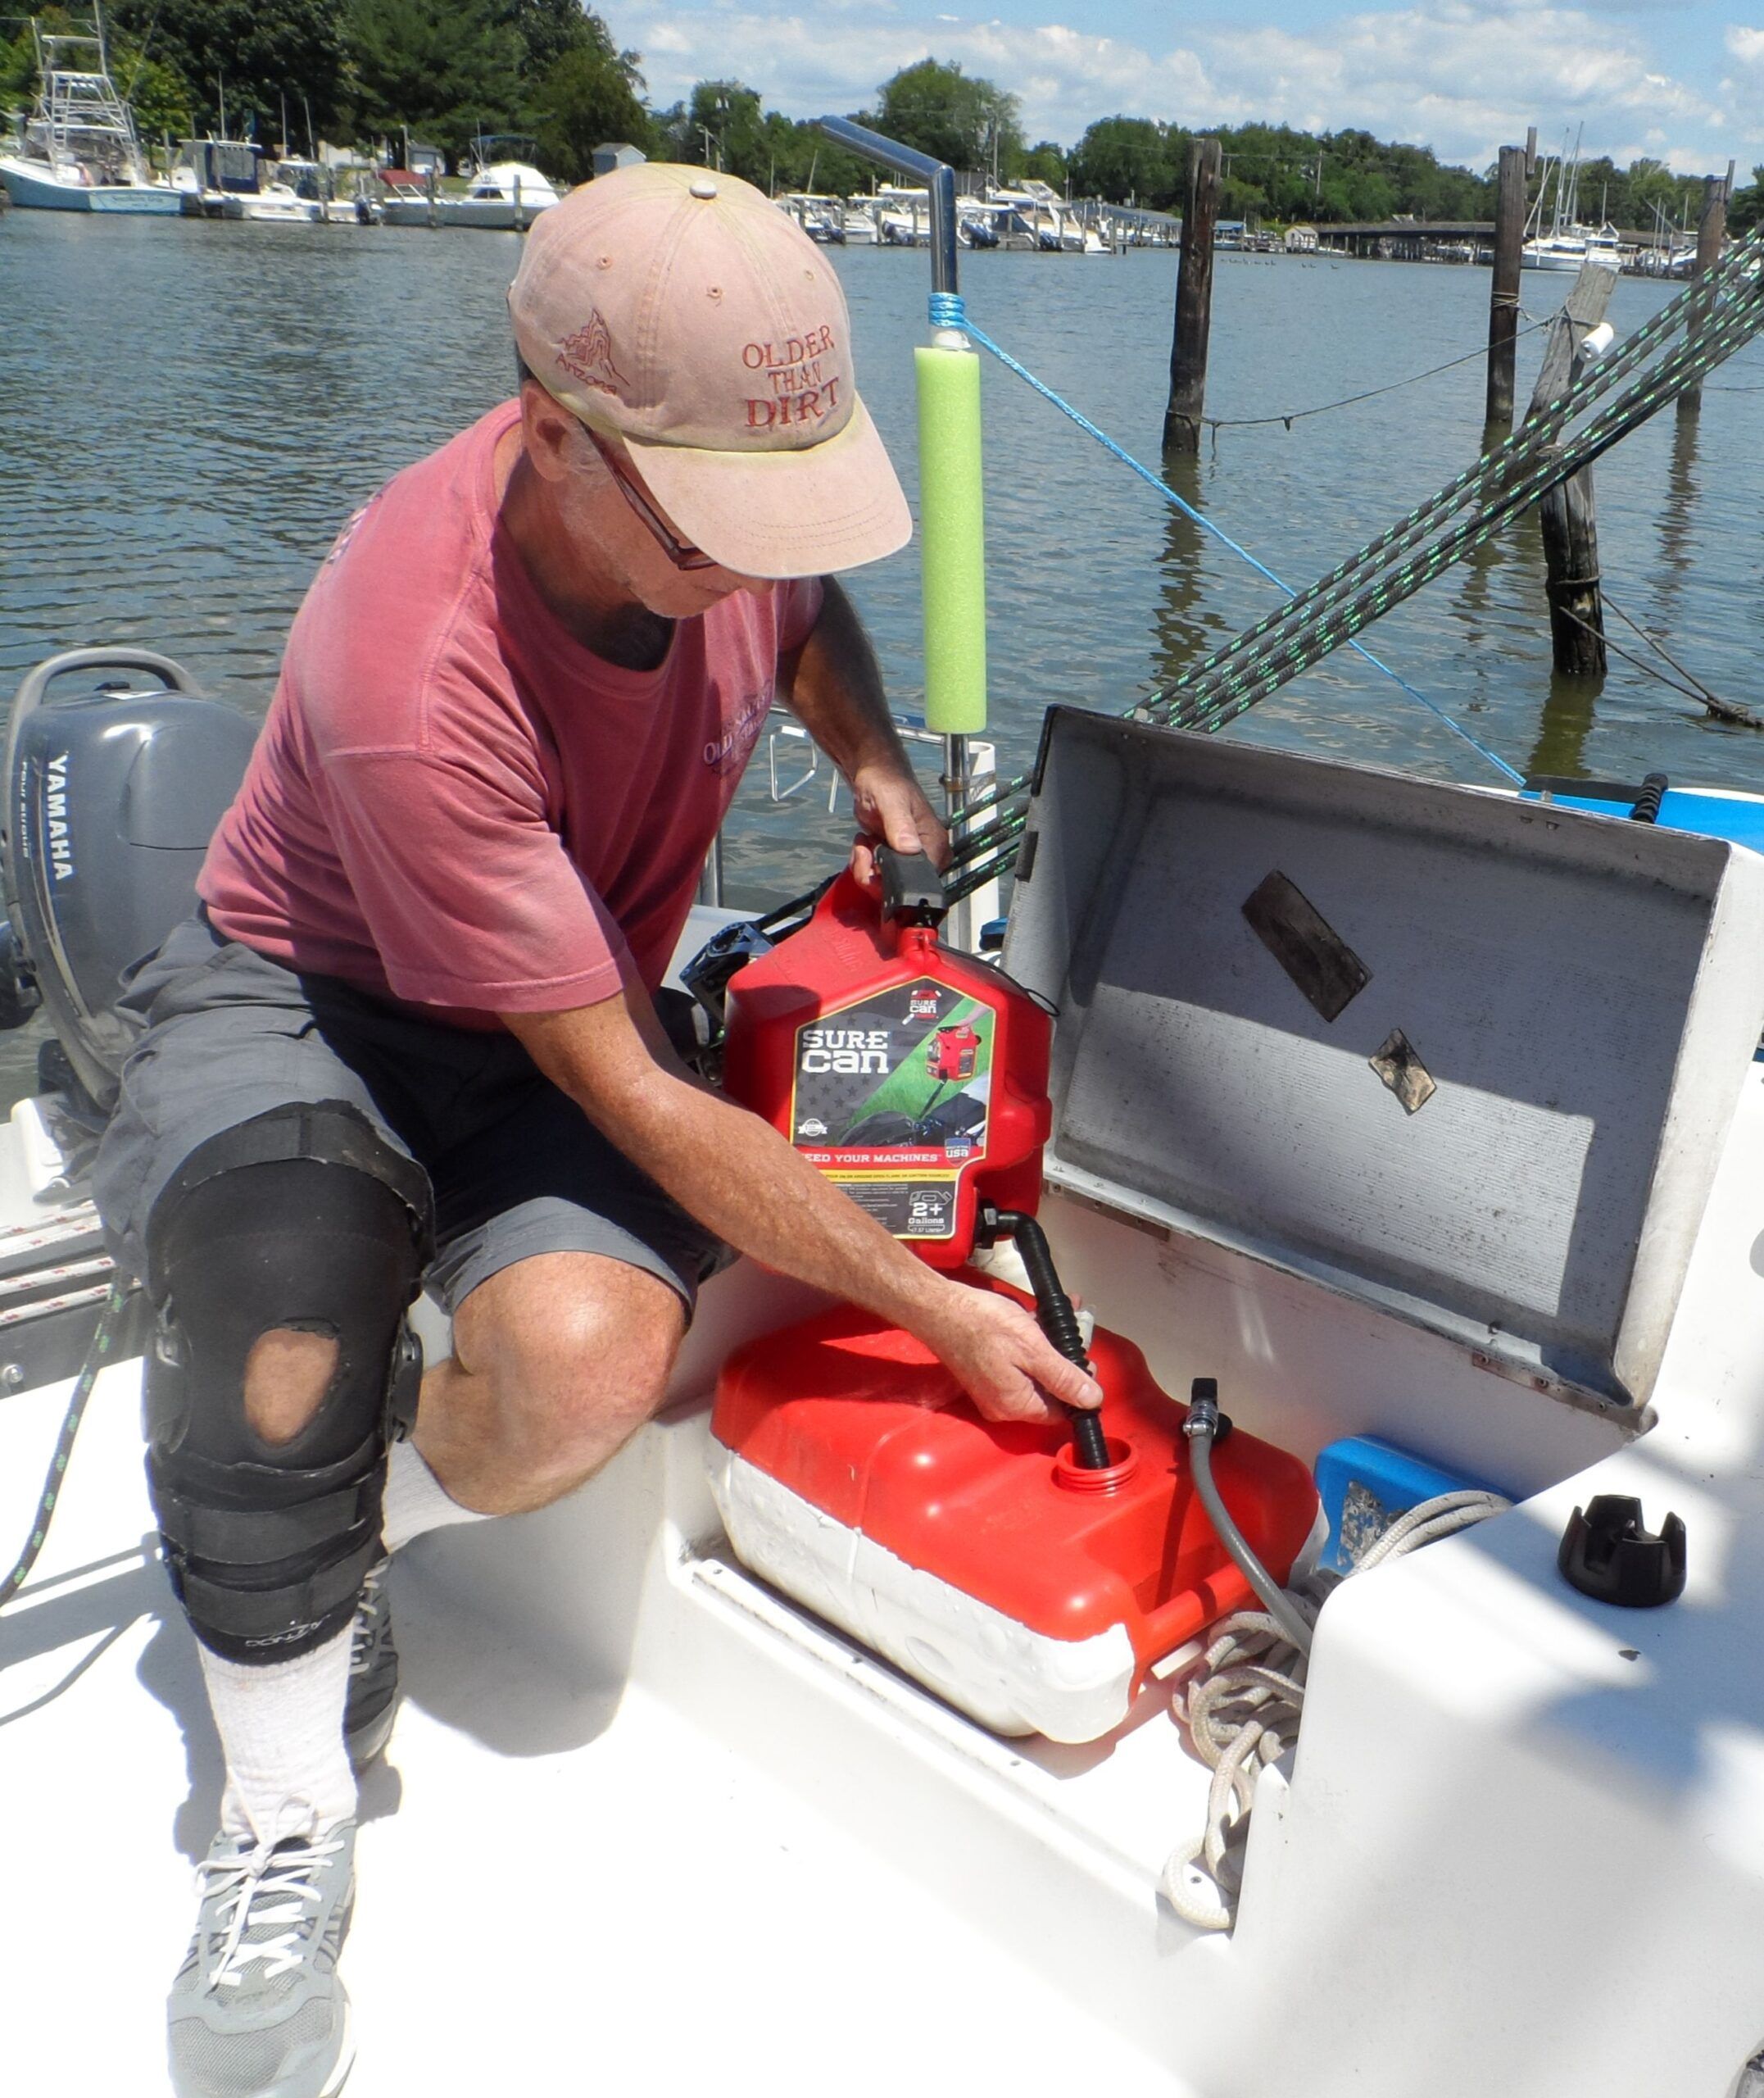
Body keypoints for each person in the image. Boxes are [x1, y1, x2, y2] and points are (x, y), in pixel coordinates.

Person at [93, 161, 1100, 2098]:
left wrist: (877, 756)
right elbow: (634, 1093)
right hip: (318, 992)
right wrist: (938, 1307)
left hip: (575, 982)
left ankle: (326, 1538)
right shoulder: (414, 663)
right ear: (555, 434)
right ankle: (284, 1794)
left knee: (588, 1364)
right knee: (284, 1322)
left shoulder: (716, 510)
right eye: (721, 522)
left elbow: (800, 606)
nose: (754, 552)